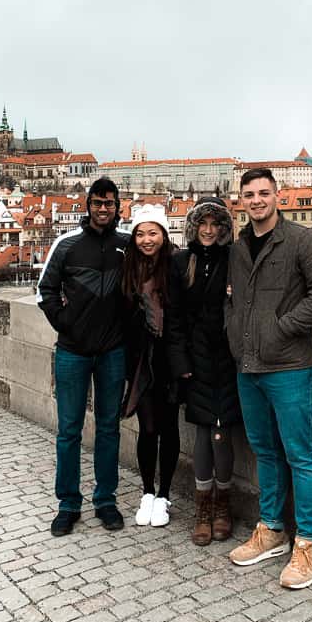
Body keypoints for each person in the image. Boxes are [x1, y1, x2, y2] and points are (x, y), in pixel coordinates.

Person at [226, 168, 312, 589]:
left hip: (292, 365)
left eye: (263, 193)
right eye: (248, 194)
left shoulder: (302, 241)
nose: (256, 200)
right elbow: (234, 301)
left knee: (301, 454)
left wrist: (285, 326)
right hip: (249, 366)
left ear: (278, 196)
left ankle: (309, 544)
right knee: (266, 451)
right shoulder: (238, 247)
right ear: (239, 200)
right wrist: (235, 337)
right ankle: (272, 529)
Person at [37, 177, 129, 536]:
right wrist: (65, 323)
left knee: (109, 428)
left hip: (112, 351)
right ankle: (68, 504)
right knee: (69, 431)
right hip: (73, 351)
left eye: (109, 203)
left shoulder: (126, 245)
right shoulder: (67, 245)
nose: (103, 209)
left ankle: (105, 500)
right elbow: (46, 290)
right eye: (97, 203)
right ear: (88, 206)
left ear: (118, 207)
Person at [167, 196, 239, 546]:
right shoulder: (181, 261)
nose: (209, 230)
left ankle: (223, 504)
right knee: (201, 434)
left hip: (227, 359)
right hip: (195, 361)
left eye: (215, 224)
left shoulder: (234, 259)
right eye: (203, 224)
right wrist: (180, 362)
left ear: (224, 229)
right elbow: (174, 319)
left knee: (221, 433)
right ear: (194, 227)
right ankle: (203, 508)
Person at [122, 204, 186, 528]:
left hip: (169, 358)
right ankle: (147, 491)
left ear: (163, 234)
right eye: (141, 233)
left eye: (153, 233)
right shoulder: (128, 267)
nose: (147, 239)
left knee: (169, 427)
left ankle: (163, 495)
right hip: (140, 361)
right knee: (147, 428)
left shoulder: (176, 264)